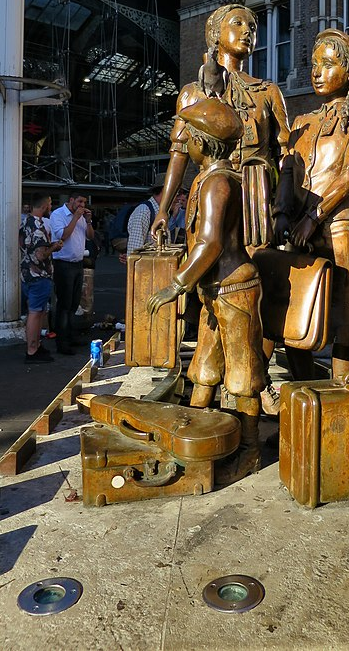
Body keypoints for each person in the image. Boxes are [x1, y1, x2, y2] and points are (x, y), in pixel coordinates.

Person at [147, 98, 266, 485]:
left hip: (234, 289)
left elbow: (210, 243)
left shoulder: (218, 183)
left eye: (188, 138)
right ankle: (192, 432)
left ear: (203, 141)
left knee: (243, 373)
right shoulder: (211, 179)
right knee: (204, 366)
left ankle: (250, 450)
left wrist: (176, 284)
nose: (184, 145)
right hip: (215, 289)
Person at [273, 28, 349, 379]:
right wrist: (282, 215)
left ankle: (341, 385)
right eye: (314, 64)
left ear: (348, 72)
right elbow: (288, 172)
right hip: (300, 223)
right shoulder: (302, 122)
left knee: (344, 311)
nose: (316, 72)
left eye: (328, 64)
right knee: (296, 303)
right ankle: (304, 382)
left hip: (340, 223)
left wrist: (314, 218)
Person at [151, 2, 290, 248]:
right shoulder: (192, 94)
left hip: (256, 197)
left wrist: (282, 210)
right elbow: (179, 155)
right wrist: (164, 210)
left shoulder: (267, 92)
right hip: (209, 194)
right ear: (216, 34)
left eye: (252, 26)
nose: (247, 31)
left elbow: (285, 155)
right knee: (205, 263)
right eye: (237, 23)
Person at [20, 194, 63, 363]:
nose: (51, 207)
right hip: (39, 275)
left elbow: (22, 244)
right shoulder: (38, 226)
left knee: (37, 311)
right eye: (50, 204)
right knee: (35, 313)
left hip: (26, 273)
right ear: (45, 206)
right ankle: (32, 350)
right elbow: (41, 255)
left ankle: (36, 346)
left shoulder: (25, 222)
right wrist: (54, 246)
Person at [50, 193, 94, 355]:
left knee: (74, 304)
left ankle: (70, 335)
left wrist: (88, 221)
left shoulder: (82, 217)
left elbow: (90, 236)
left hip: (77, 263)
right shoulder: (58, 215)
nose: (82, 205)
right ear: (71, 201)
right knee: (64, 304)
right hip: (63, 263)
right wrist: (75, 218)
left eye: (84, 202)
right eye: (80, 201)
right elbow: (63, 235)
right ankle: (62, 342)